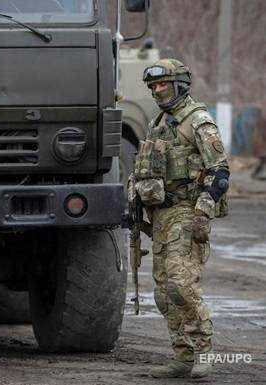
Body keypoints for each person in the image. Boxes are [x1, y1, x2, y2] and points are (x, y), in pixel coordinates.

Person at [128, 58, 229, 379]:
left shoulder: (197, 121)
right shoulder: (159, 122)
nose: (158, 91)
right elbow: (145, 168)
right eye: (154, 86)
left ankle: (203, 351)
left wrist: (202, 212)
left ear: (180, 85)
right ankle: (182, 356)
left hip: (187, 213)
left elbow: (219, 171)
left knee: (181, 286)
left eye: (163, 84)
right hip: (160, 216)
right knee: (162, 292)